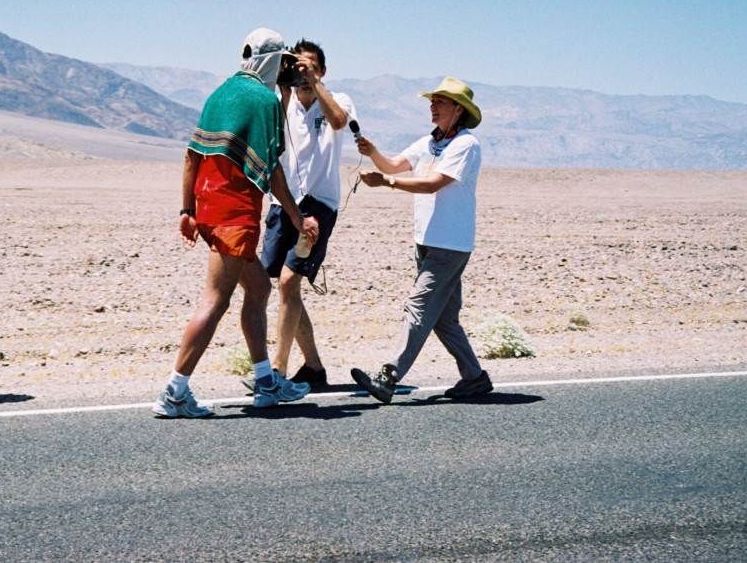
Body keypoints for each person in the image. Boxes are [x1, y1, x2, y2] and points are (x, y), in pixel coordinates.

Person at [152, 28, 320, 418]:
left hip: (208, 207)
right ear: (272, 62)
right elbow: (273, 165)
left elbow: (192, 156)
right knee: (215, 301)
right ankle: (175, 391)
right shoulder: (263, 100)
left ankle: (265, 382)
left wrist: (186, 210)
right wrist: (296, 216)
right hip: (235, 214)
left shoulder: (221, 93)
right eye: (281, 62)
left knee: (259, 288)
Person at [350, 76, 492, 404]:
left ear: (458, 109)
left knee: (418, 306)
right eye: (433, 100)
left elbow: (432, 184)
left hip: (450, 244)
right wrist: (373, 153)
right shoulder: (430, 142)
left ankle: (389, 375)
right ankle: (474, 377)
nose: (432, 106)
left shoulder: (466, 145)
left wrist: (387, 182)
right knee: (442, 317)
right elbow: (395, 165)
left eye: (440, 101)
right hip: (427, 241)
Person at [257, 39, 355, 388]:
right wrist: (284, 87)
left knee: (288, 281)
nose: (301, 71)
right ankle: (313, 367)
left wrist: (314, 82)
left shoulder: (337, 100)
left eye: (309, 65)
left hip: (319, 204)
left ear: (323, 70)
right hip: (284, 202)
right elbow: (270, 133)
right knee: (284, 288)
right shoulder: (283, 103)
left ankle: (277, 372)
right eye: (296, 65)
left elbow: (339, 121)